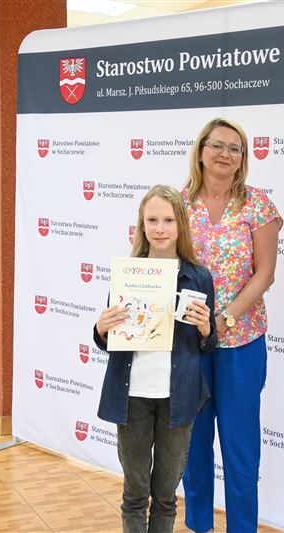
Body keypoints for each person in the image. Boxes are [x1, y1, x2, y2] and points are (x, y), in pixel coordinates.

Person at [94, 185, 217, 533]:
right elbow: (109, 341)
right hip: (131, 397)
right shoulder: (127, 273)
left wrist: (207, 329)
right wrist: (101, 329)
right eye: (152, 220)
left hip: (179, 398)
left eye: (168, 220)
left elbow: (208, 346)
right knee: (134, 494)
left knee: (165, 497)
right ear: (142, 225)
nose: (160, 228)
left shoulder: (199, 277)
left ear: (181, 225)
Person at [180, 118, 281, 533]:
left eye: (235, 148)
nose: (225, 154)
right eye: (217, 145)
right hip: (189, 344)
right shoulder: (179, 203)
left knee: (241, 450)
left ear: (243, 159)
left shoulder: (257, 204)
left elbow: (265, 274)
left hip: (241, 342)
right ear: (201, 151)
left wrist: (225, 319)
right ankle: (199, 525)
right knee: (192, 445)